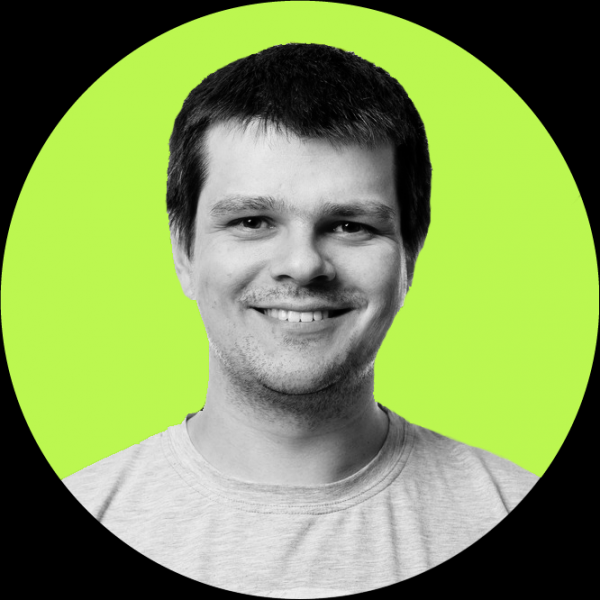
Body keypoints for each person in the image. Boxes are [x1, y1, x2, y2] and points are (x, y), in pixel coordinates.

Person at [62, 43, 538, 597]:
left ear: (410, 254)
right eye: (252, 221)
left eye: (350, 225)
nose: (303, 265)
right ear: (183, 252)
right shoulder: (95, 507)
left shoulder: (506, 505)